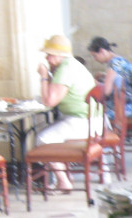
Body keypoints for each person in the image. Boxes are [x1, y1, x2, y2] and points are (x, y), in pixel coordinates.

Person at [36, 34, 96, 191]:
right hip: (92, 120)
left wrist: (44, 77)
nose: (47, 58)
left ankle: (63, 181)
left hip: (82, 121)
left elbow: (49, 101)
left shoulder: (65, 69)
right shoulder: (73, 65)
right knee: (52, 133)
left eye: (49, 54)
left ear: (57, 54)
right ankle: (66, 176)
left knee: (43, 139)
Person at [87, 36, 132, 121]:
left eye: (95, 56)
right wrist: (105, 76)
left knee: (92, 115)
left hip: (125, 108)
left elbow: (106, 92)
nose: (95, 59)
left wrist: (93, 81)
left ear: (102, 51)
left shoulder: (113, 64)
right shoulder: (120, 60)